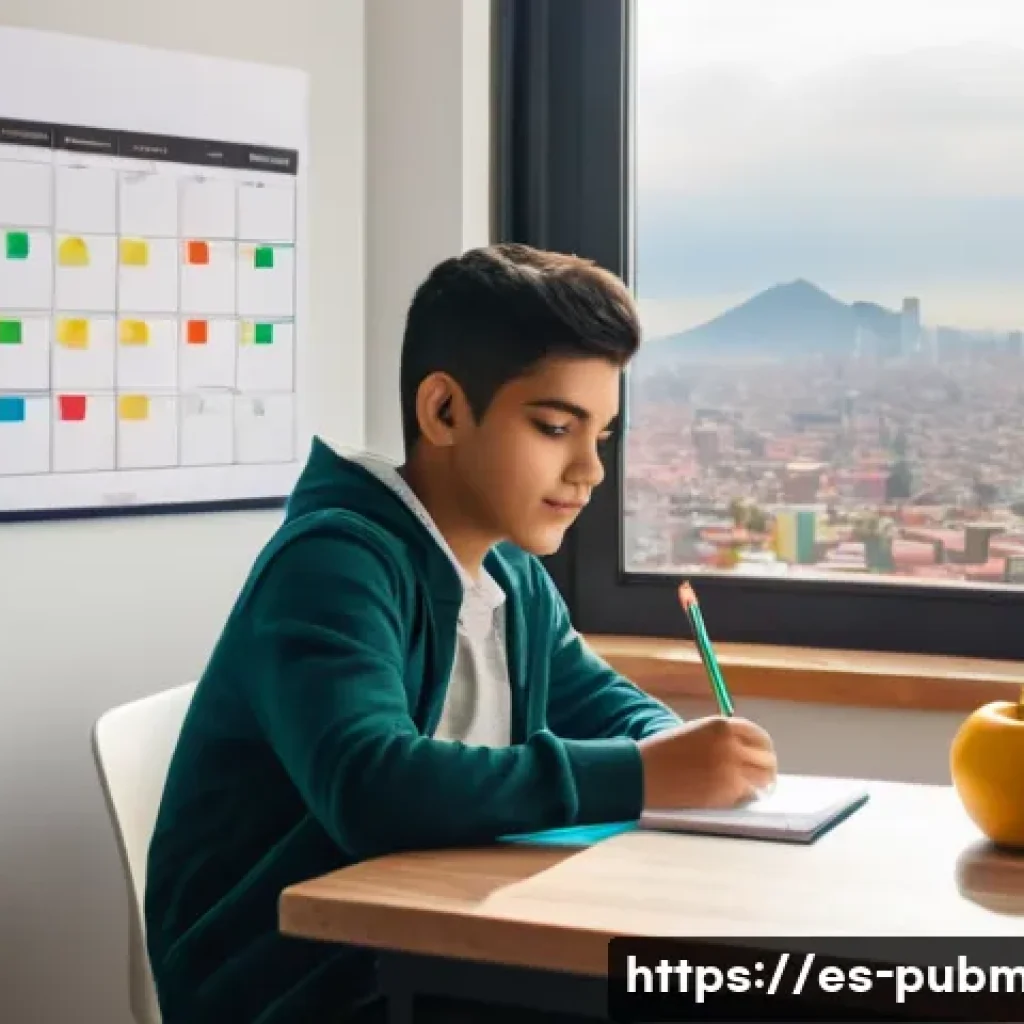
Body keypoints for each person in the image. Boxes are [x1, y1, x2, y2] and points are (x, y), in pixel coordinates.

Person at [144, 243, 778, 1023]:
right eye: (555, 427)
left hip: (439, 950)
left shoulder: (511, 579)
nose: (590, 470)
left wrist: (679, 750)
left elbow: (609, 707)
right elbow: (372, 784)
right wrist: (647, 776)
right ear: (443, 411)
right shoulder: (333, 565)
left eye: (601, 437)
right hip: (298, 984)